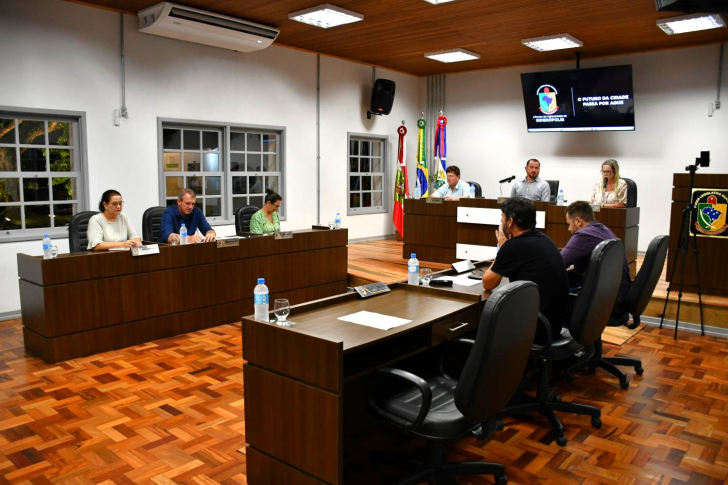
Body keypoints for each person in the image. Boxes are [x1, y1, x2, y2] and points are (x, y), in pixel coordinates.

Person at [482, 197, 568, 339]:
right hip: (554, 323)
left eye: (502, 219)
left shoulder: (514, 245)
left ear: (510, 222)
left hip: (536, 328)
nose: (501, 223)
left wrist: (502, 249)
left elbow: (488, 283)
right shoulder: (545, 239)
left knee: (485, 317)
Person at [561, 201, 632, 306]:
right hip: (618, 294)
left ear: (578, 221)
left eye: (569, 224)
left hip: (605, 301)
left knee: (553, 296)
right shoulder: (603, 229)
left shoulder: (584, 235)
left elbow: (559, 262)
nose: (569, 229)